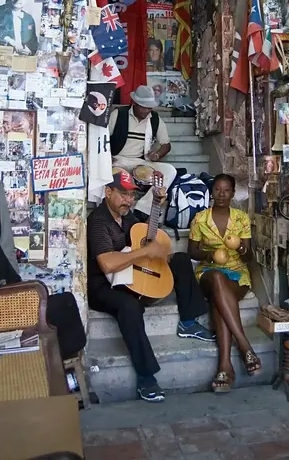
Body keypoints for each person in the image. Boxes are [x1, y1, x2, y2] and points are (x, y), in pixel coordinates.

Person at [87, 169, 214, 402]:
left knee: (181, 260)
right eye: (123, 194)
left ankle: (188, 321)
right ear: (108, 192)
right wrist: (145, 252)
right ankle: (146, 377)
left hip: (131, 275)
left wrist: (157, 205)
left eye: (132, 196)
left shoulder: (126, 215)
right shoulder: (98, 222)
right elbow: (107, 264)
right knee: (129, 307)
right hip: (104, 286)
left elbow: (144, 234)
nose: (129, 200)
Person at [188, 174, 261, 393]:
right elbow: (191, 252)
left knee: (218, 301)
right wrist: (209, 255)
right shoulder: (200, 219)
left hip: (237, 274)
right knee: (217, 279)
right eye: (217, 190)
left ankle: (225, 367)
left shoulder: (241, 218)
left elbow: (248, 257)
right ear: (212, 192)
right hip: (208, 273)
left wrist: (241, 248)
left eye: (226, 190)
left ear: (233, 193)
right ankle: (244, 345)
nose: (221, 194)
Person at [109, 85, 176, 220]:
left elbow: (166, 145)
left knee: (170, 170)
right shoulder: (118, 114)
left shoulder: (154, 119)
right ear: (135, 103)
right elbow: (103, 139)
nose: (147, 111)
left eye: (150, 107)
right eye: (144, 107)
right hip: (118, 160)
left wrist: (157, 154)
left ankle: (143, 208)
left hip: (141, 162)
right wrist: (107, 158)